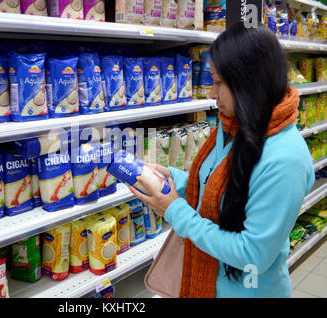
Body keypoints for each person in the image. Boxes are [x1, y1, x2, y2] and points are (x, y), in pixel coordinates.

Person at [128, 22, 315, 298]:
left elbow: (253, 254)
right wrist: (176, 180)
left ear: (247, 82)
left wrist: (176, 212)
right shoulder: (233, 125)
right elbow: (218, 185)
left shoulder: (285, 159)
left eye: (217, 82)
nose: (212, 93)